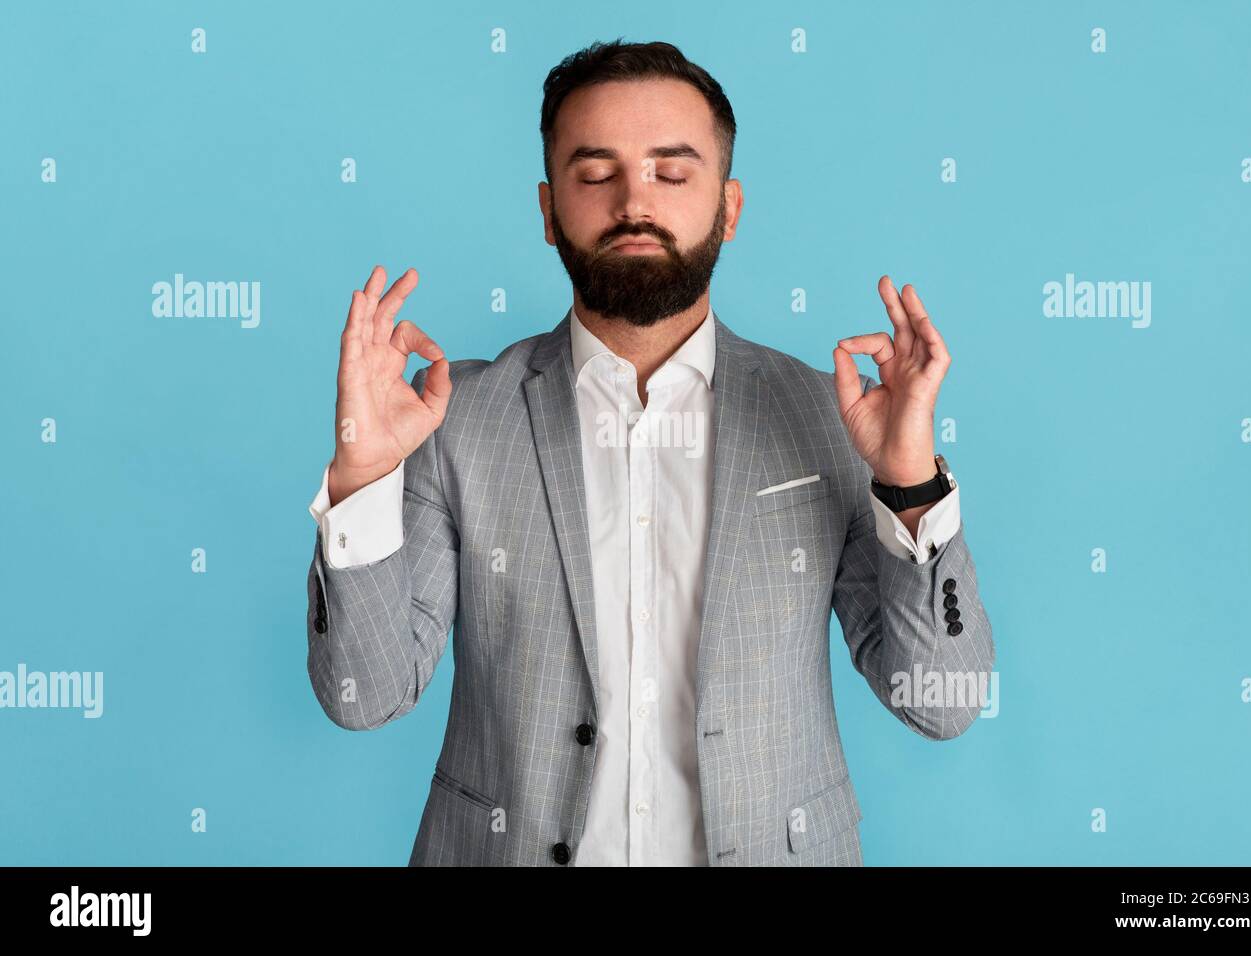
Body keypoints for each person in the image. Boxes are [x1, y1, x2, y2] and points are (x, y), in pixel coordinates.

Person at [306, 39, 994, 866]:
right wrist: (363, 475)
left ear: (730, 208)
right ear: (549, 208)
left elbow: (945, 703)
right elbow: (365, 695)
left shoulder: (832, 420)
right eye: (596, 174)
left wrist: (907, 478)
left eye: (673, 173)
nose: (635, 201)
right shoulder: (451, 417)